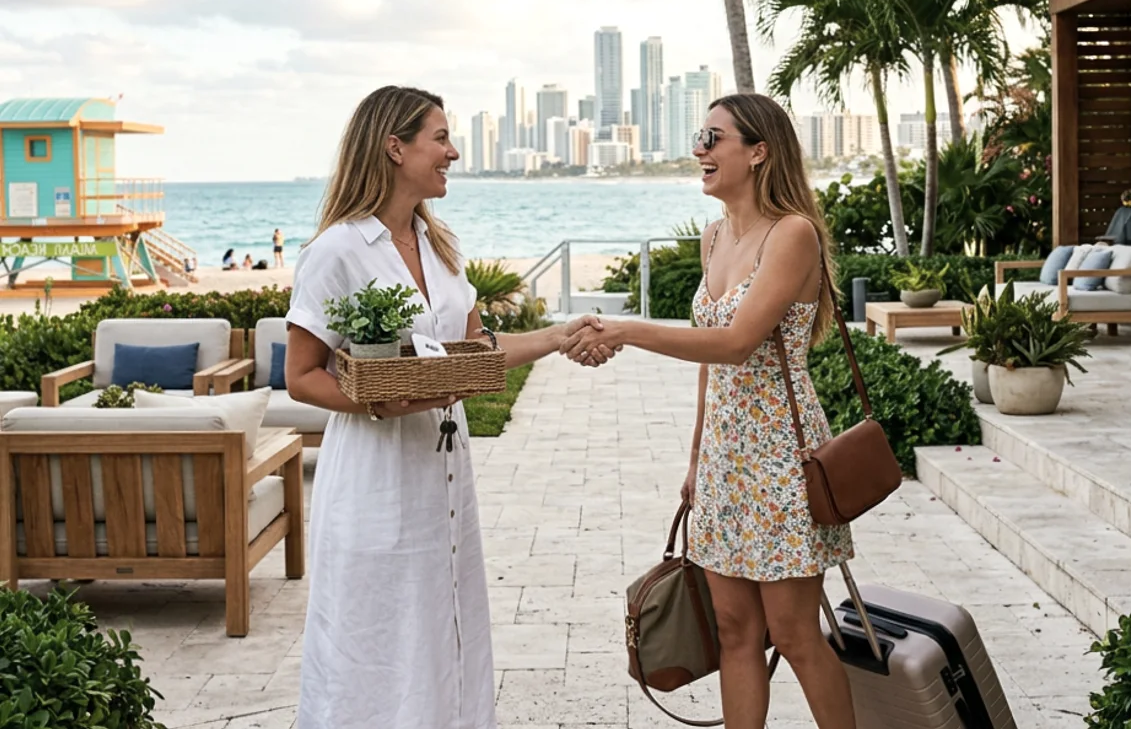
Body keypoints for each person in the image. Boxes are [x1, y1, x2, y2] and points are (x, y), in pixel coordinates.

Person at [284, 85, 616, 729]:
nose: (453, 152)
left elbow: (473, 351)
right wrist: (381, 401)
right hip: (375, 477)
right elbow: (302, 377)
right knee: (374, 631)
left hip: (445, 476)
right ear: (394, 147)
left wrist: (558, 335)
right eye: (440, 139)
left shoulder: (442, 247)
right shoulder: (336, 252)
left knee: (444, 623)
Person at [560, 92, 857, 729]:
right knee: (732, 629)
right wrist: (697, 456)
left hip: (780, 453)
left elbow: (735, 341)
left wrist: (629, 331)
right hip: (726, 457)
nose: (699, 148)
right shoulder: (715, 235)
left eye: (713, 137)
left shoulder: (793, 234)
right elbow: (711, 364)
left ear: (758, 153)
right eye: (700, 135)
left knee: (795, 633)